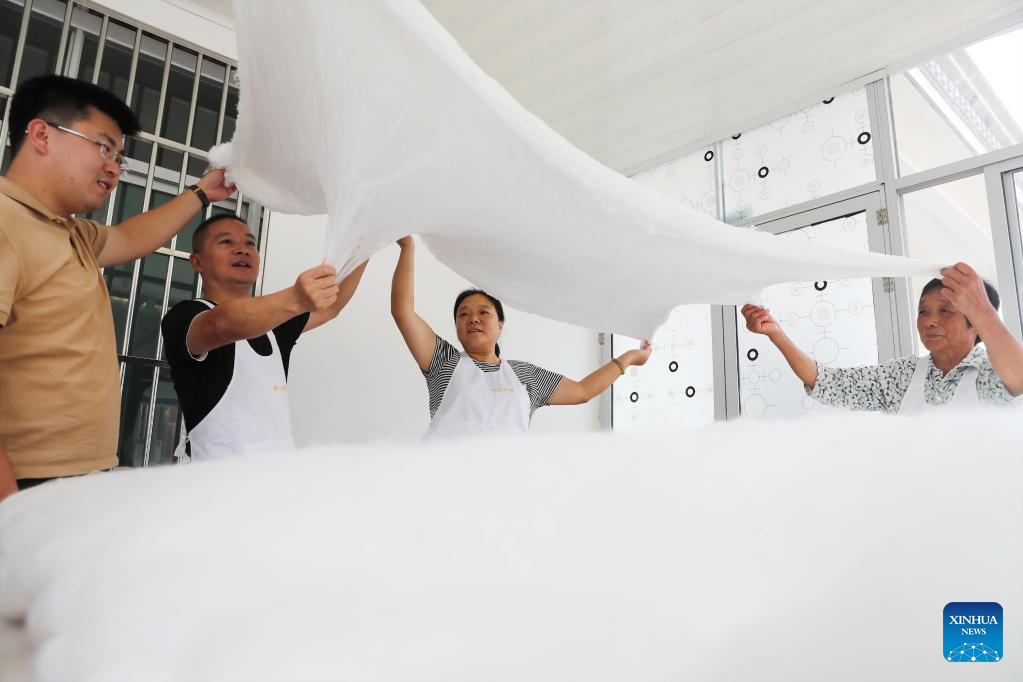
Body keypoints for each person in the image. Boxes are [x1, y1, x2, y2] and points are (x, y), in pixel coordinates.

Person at [0, 76, 235, 501]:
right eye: (103, 147)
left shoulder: (69, 232)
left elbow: (130, 238)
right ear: (41, 135)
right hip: (27, 484)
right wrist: (11, 507)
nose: (113, 167)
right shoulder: (6, 222)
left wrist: (202, 192)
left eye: (119, 158)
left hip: (74, 478)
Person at [391, 236, 652, 438]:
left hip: (506, 483)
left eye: (483, 312)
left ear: (500, 325)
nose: (473, 319)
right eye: (463, 314)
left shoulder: (525, 375)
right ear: (457, 326)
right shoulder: (442, 361)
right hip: (443, 481)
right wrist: (408, 248)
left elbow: (583, 391)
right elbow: (403, 312)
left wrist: (629, 358)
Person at [161, 215, 368, 459]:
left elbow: (331, 305)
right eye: (226, 242)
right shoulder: (186, 317)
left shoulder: (276, 323)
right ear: (197, 262)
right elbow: (224, 324)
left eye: (250, 243)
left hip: (276, 476)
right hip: (216, 478)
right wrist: (296, 298)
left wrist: (367, 239)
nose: (243, 250)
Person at [740, 262, 1023, 412]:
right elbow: (828, 382)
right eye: (923, 311)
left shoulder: (992, 372)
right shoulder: (904, 375)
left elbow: (1020, 379)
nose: (930, 321)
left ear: (976, 321)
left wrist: (982, 309)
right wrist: (775, 333)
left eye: (945, 310)